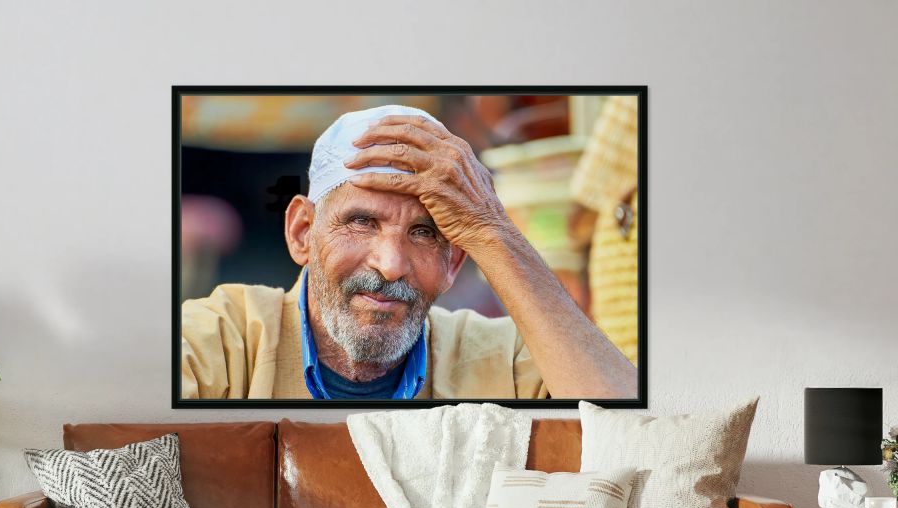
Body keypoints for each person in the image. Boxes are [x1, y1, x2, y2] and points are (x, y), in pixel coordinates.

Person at [180, 103, 637, 400]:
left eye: (424, 233)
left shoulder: (503, 359)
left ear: (453, 262)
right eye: (361, 222)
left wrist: (489, 228)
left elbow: (629, 435)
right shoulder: (220, 341)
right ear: (302, 232)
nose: (392, 264)